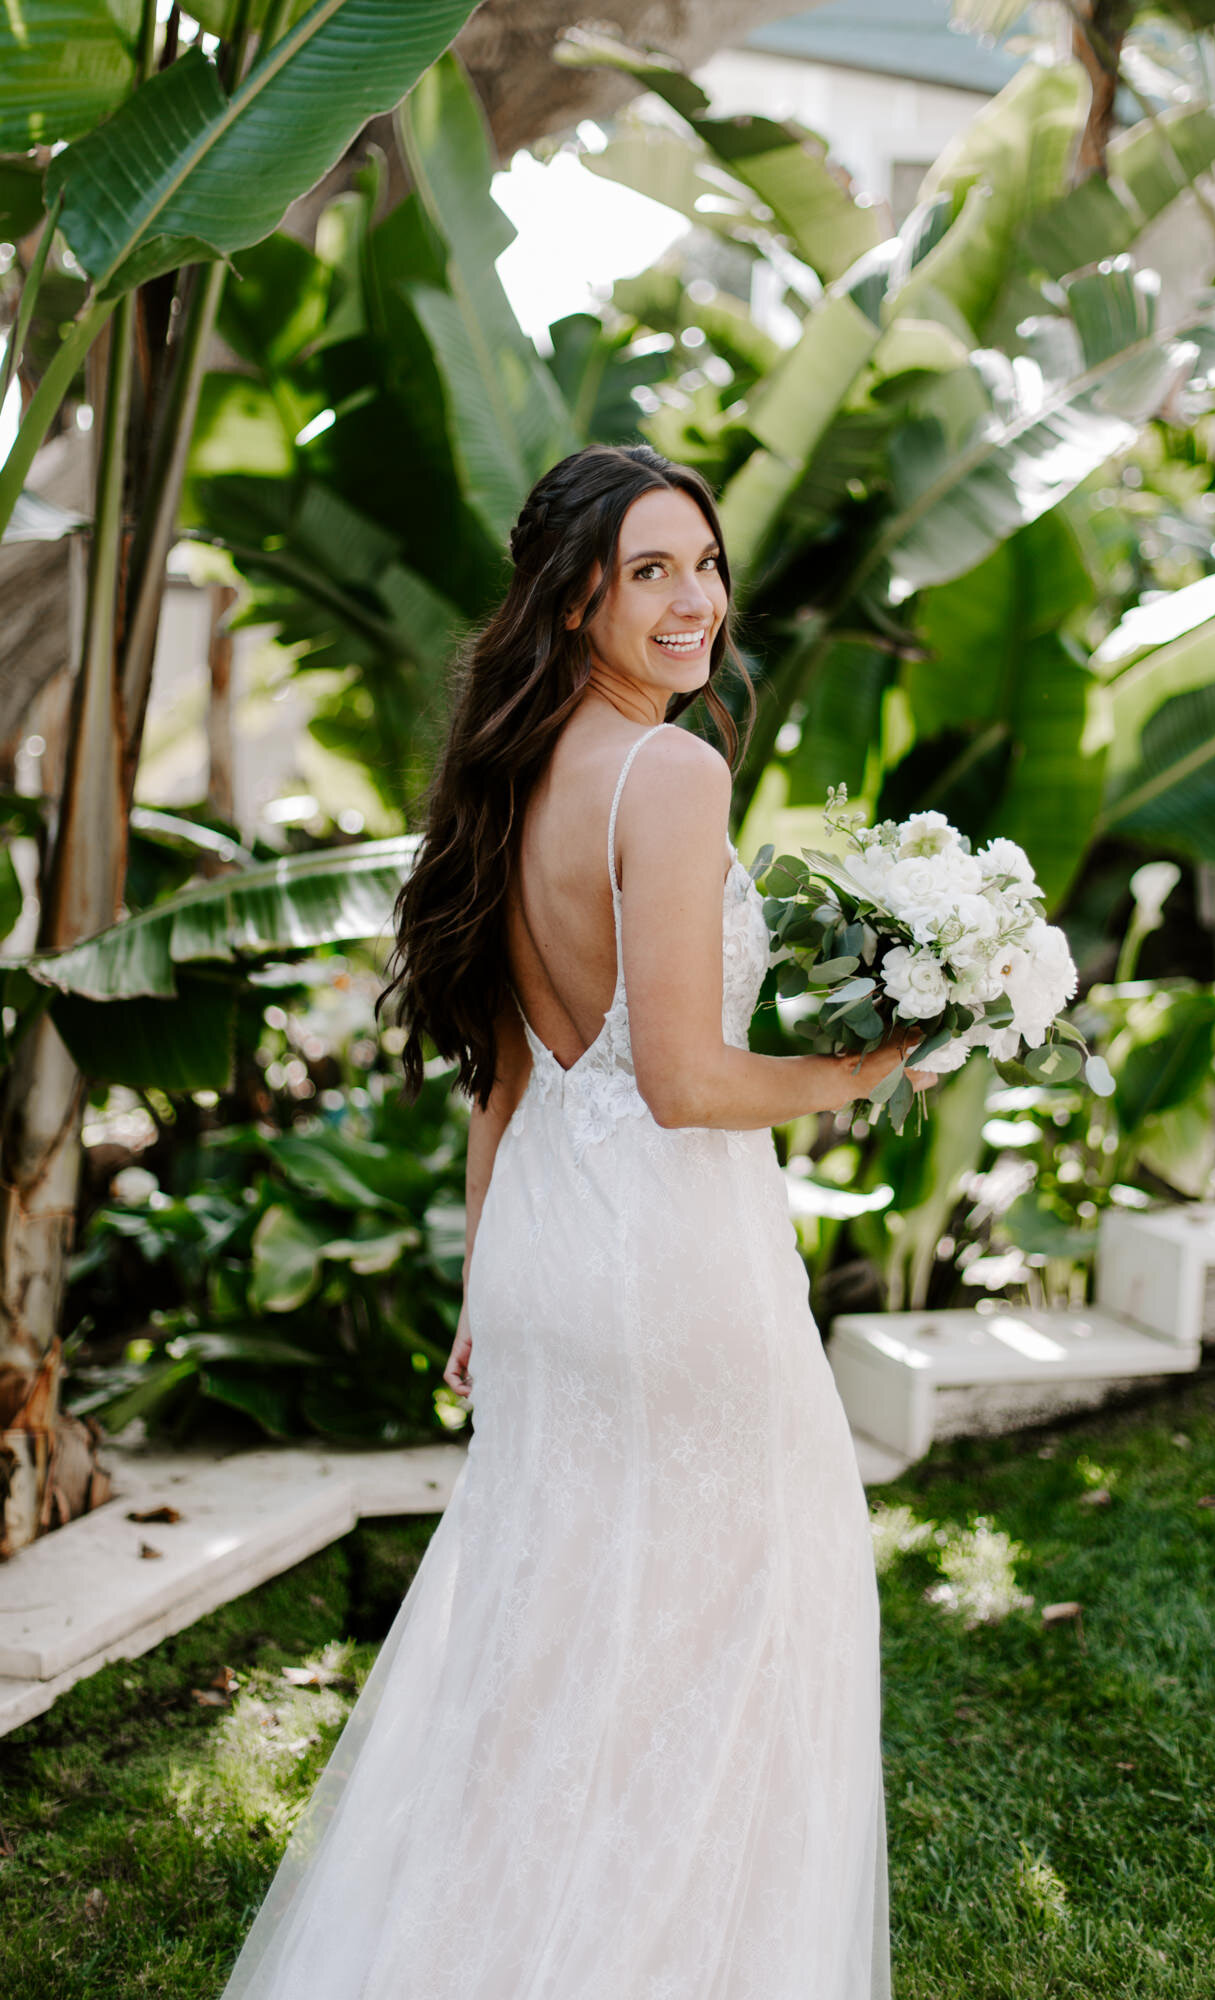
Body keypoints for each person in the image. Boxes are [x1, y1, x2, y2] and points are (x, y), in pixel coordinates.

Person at [217, 442, 931, 2000]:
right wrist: (858, 1069)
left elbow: (510, 1077)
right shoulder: (668, 773)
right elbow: (678, 1080)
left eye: (706, 566)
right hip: (669, 1260)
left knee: (548, 1656)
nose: (694, 604)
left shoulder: (514, 768)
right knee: (731, 1644)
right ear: (571, 601)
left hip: (551, 1254)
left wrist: (491, 1278)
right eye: (649, 573)